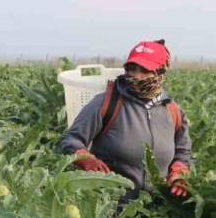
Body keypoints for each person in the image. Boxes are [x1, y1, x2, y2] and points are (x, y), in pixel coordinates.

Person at [59, 39, 192, 204]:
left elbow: (183, 152)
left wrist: (179, 172)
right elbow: (71, 139)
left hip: (160, 209)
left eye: (144, 70)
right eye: (131, 69)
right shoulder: (107, 103)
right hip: (110, 207)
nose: (136, 76)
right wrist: (85, 159)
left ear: (161, 72)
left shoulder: (173, 111)